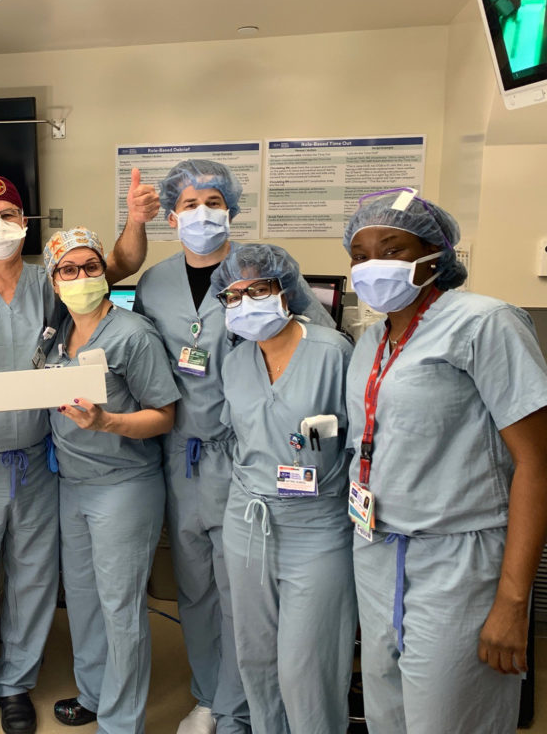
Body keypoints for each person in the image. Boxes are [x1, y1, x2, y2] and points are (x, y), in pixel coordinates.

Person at [0, 176, 146, 734]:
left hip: (41, 459)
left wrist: (137, 217)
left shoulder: (54, 280)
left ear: (26, 223)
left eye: (10, 213)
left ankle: (16, 683)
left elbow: (118, 262)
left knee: (34, 578)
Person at [133, 159, 337, 734]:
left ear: (232, 208)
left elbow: (316, 341)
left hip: (245, 451)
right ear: (173, 215)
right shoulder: (155, 282)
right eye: (191, 204)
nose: (203, 214)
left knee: (241, 593)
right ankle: (208, 696)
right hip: (180, 453)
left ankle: (240, 707)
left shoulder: (260, 271)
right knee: (194, 586)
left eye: (214, 202)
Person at [343, 189, 547, 732]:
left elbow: (537, 464)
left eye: (392, 249)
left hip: (460, 562)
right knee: (387, 716)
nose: (372, 266)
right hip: (378, 550)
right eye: (360, 256)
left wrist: (511, 601)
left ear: (435, 255)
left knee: (451, 721)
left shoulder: (485, 324)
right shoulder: (371, 341)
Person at [213, 244, 356, 734]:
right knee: (255, 656)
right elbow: (238, 439)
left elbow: (361, 442)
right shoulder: (234, 364)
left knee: (306, 665)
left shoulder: (331, 351)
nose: (246, 300)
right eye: (234, 295)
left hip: (316, 527)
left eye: (259, 288)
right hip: (247, 522)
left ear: (285, 290)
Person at [42, 228, 179, 734]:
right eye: (69, 270)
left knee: (120, 607)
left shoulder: (132, 335)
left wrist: (107, 423)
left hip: (123, 485)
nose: (81, 278)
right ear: (55, 281)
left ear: (105, 272)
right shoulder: (55, 335)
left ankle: (122, 722)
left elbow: (164, 415)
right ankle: (95, 694)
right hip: (72, 484)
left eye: (91, 267)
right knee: (82, 599)